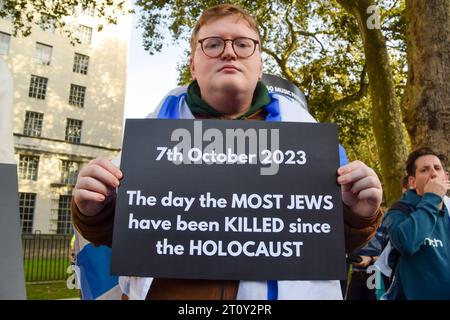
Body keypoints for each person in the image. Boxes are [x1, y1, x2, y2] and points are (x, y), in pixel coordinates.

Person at [72, 4, 383, 300]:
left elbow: (334, 244)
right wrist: (93, 211)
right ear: (193, 64)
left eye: (243, 44)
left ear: (260, 63)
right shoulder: (149, 140)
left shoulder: (312, 143)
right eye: (213, 44)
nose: (229, 52)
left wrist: (358, 215)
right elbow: (118, 237)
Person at [383, 147, 450, 299]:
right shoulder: (399, 210)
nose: (433, 173)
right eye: (425, 170)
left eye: (437, 168)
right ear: (412, 182)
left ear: (446, 178)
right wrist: (432, 198)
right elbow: (406, 242)